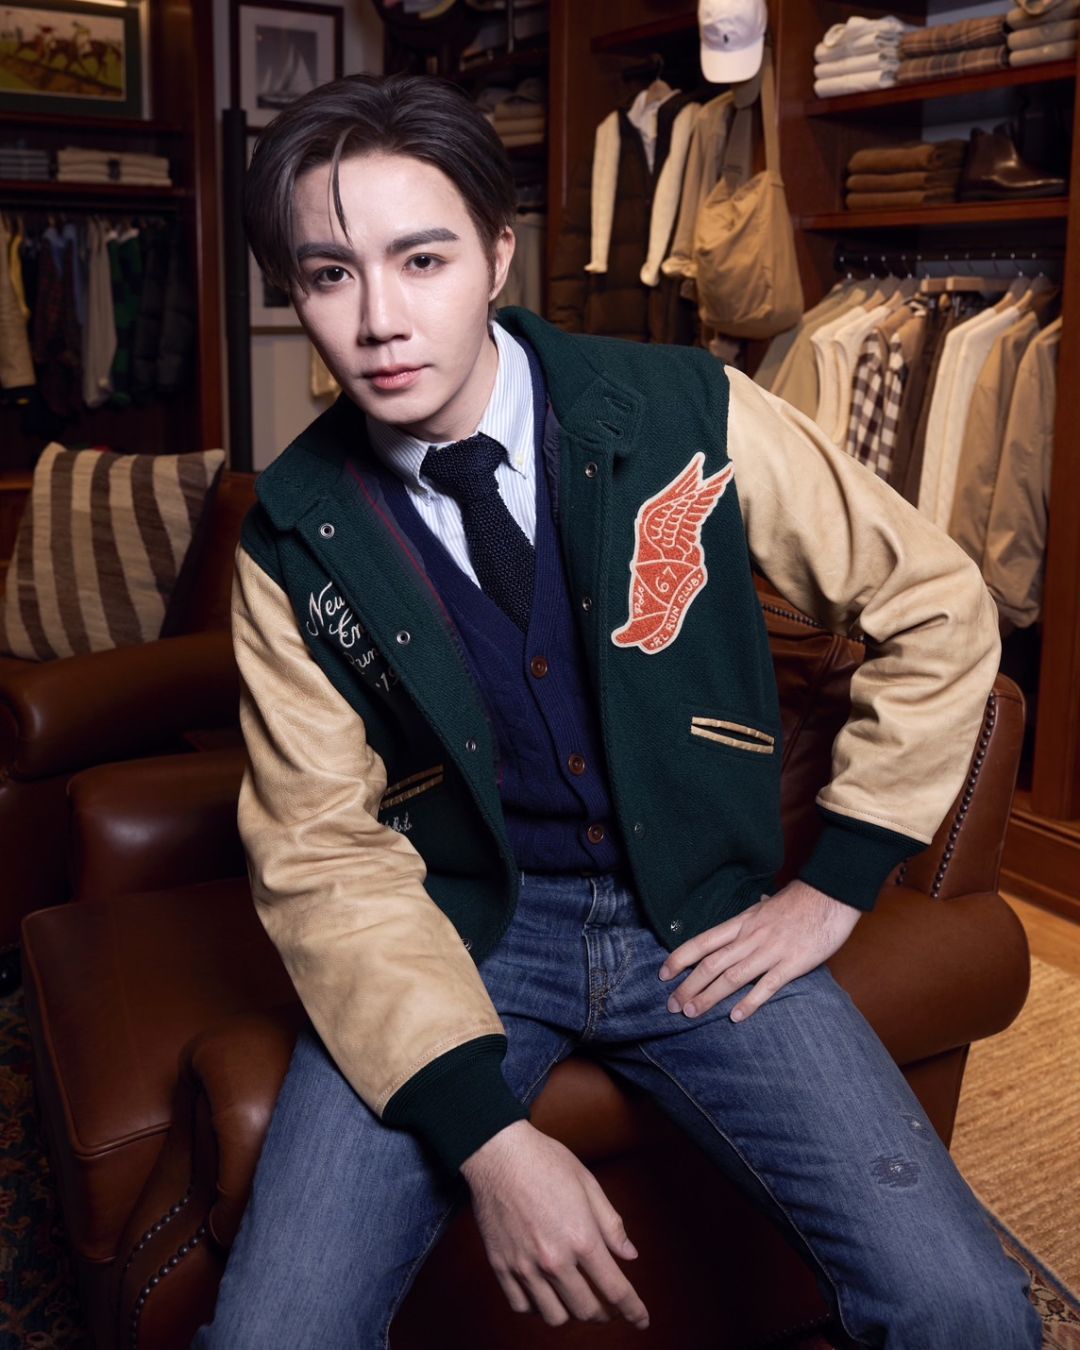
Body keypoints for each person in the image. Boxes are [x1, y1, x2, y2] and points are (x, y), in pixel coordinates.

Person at [193, 72, 1042, 1350]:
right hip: (455, 939)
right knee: (273, 1335)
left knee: (964, 1308)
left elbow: (936, 602)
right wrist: (489, 1139)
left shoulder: (686, 409)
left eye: (421, 259)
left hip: (698, 918)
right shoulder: (293, 533)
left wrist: (839, 880)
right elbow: (318, 851)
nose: (378, 320)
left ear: (496, 254)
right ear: (295, 293)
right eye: (329, 274)